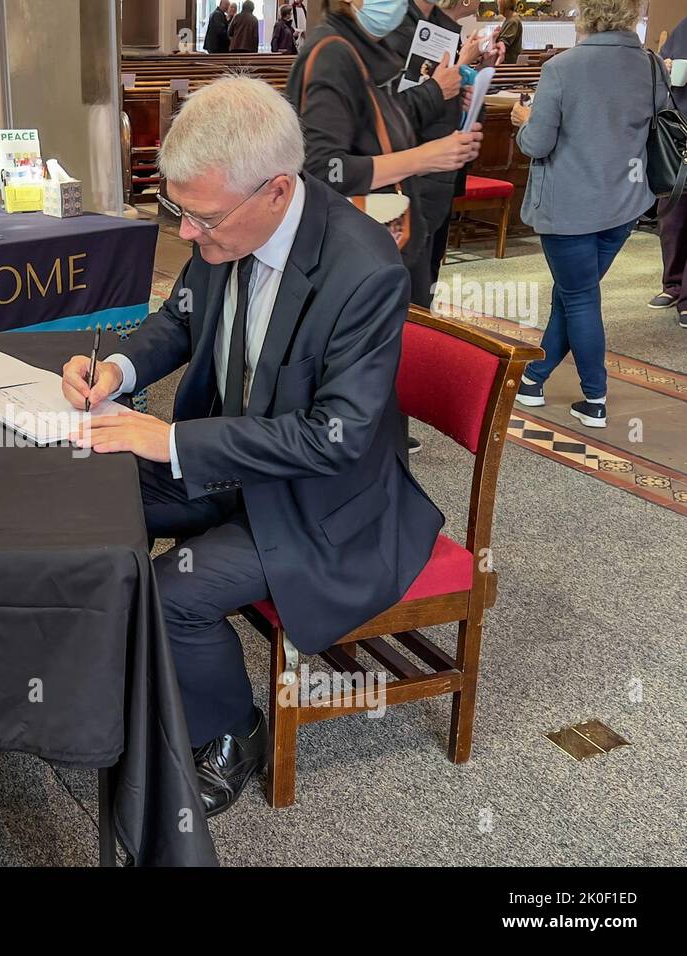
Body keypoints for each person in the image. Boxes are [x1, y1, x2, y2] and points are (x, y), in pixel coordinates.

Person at [59, 77, 444, 817]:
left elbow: (336, 438)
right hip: (235, 462)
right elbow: (181, 318)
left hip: (321, 503)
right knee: (85, 483)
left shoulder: (362, 271)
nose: (187, 236)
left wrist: (169, 437)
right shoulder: (229, 219)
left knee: (176, 595)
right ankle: (101, 667)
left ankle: (234, 731)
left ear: (275, 190)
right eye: (178, 211)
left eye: (199, 219)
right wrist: (118, 370)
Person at [511, 0, 665, 428]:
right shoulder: (652, 66)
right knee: (573, 293)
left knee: (579, 297)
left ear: (587, 15)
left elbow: (536, 144)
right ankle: (533, 379)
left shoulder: (563, 68)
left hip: (570, 207)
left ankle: (595, 397)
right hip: (625, 204)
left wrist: (524, 119)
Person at [287, 0, 483, 310]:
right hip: (352, 238)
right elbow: (324, 168)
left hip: (388, 227)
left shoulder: (369, 51)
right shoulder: (333, 52)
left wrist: (452, 106)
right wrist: (425, 157)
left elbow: (381, 124)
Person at [386, 0, 503, 286]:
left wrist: (472, 86)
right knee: (398, 288)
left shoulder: (443, 30)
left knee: (425, 282)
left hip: (438, 181)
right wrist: (457, 71)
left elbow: (447, 105)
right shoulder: (392, 30)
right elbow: (388, 114)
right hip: (403, 181)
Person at [650, 14, 687, 329]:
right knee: (671, 213)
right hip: (679, 134)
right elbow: (662, 62)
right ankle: (672, 284)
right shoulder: (685, 25)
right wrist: (667, 67)